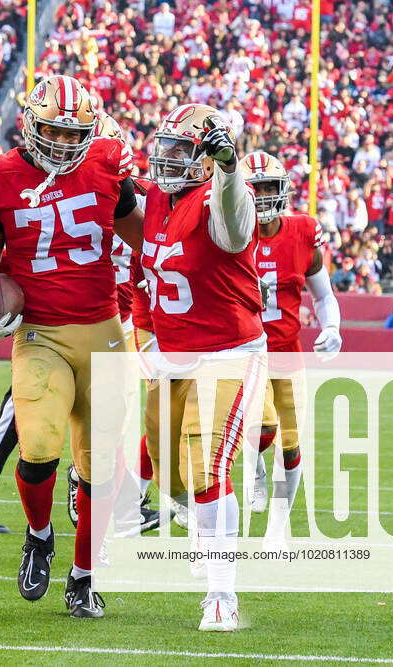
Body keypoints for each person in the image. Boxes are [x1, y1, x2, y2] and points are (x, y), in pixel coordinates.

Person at [0, 75, 144, 619]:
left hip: (106, 331)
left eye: (74, 134)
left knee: (101, 465)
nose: (64, 144)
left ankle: (83, 578)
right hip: (40, 334)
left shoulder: (109, 165)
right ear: (30, 125)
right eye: (54, 132)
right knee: (38, 448)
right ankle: (39, 537)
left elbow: (147, 239)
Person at [141, 103, 261, 631]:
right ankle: (205, 532)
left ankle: (222, 593)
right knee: (170, 472)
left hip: (228, 351)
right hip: (174, 354)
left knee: (209, 468)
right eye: (164, 147)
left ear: (209, 160)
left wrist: (231, 170)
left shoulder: (226, 197)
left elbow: (234, 231)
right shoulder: (153, 200)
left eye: (181, 151)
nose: (167, 159)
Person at [240, 151, 342, 535]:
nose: (263, 196)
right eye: (255, 188)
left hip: (286, 351)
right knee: (260, 428)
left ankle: (278, 525)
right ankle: (256, 469)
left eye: (269, 187)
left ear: (282, 190)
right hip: (244, 350)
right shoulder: (228, 232)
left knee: (292, 443)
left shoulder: (302, 232)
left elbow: (324, 294)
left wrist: (331, 327)